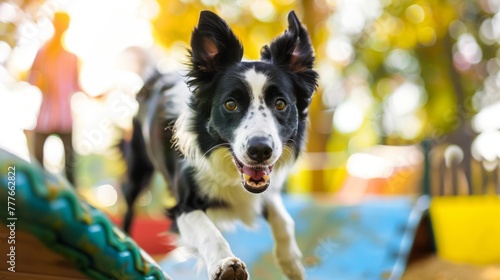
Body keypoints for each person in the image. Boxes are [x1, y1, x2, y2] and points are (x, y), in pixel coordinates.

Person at [28, 12, 79, 185]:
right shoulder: (42, 53)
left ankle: (74, 205)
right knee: (37, 168)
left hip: (65, 120)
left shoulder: (71, 58)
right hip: (44, 118)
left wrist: (96, 96)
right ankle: (38, 204)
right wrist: (39, 81)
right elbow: (31, 78)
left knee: (71, 170)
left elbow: (76, 86)